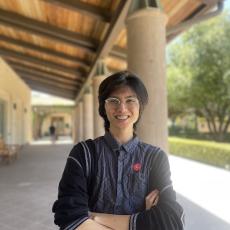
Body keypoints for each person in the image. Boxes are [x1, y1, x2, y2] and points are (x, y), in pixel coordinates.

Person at [52, 71, 184, 230]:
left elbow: (171, 220)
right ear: (103, 107)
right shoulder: (83, 154)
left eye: (130, 100)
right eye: (113, 100)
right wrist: (145, 220)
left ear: (140, 107)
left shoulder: (155, 158)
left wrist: (95, 217)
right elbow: (69, 216)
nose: (122, 108)